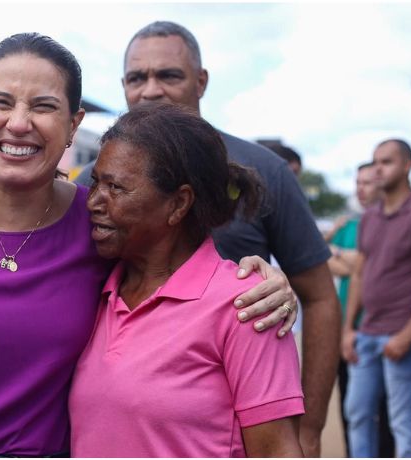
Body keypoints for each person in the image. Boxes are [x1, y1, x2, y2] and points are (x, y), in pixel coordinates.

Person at [0, 33, 295, 458]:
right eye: (1, 102)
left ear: (73, 124)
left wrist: (267, 282)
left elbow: (178, 262)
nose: (18, 123)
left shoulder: (97, 229)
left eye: (43, 106)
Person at [73, 21, 339, 455]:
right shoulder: (90, 184)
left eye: (169, 75)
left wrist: (309, 431)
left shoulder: (266, 172)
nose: (152, 90)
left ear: (201, 81)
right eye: (138, 77)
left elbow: (321, 297)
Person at [69, 102, 304, 457]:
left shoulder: (246, 307)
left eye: (115, 187)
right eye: (95, 183)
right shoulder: (95, 286)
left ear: (179, 203)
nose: (93, 202)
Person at [341, 139, 411, 458]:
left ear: (406, 165)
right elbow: (359, 274)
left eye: (387, 161)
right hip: (367, 334)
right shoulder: (370, 217)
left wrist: (408, 334)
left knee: (404, 421)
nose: (379, 168)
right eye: (375, 161)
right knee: (357, 414)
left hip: (403, 337)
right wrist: (349, 328)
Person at [326, 162, 395, 457]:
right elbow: (324, 261)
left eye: (367, 182)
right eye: (357, 183)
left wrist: (350, 259)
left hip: (384, 329)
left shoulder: (397, 223)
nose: (360, 189)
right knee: (350, 408)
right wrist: (351, 258)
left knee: (388, 410)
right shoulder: (351, 225)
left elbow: (367, 264)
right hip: (346, 329)